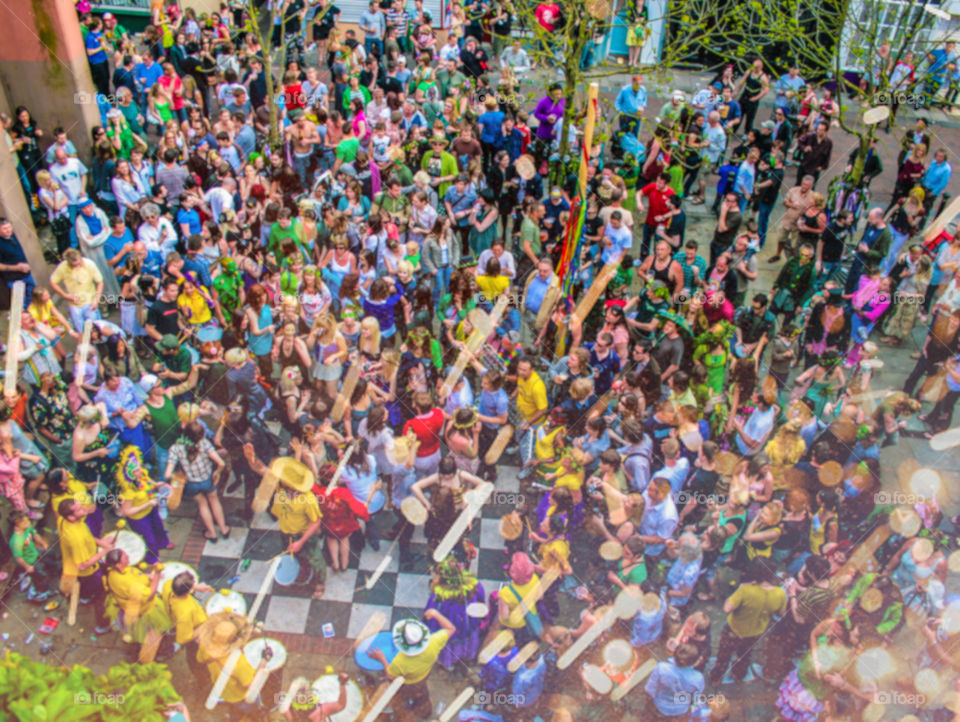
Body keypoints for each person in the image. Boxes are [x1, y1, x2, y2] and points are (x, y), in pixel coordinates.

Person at [366, 612, 455, 722]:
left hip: (408, 683)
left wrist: (381, 658)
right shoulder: (433, 642)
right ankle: (425, 713)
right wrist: (435, 613)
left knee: (402, 701)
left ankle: (406, 716)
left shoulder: (400, 661)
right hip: (424, 676)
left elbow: (390, 675)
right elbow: (451, 629)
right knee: (423, 696)